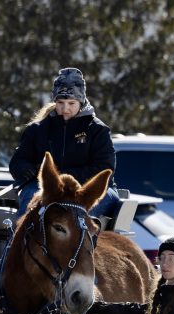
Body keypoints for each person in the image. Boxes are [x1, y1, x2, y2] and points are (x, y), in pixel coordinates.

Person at [9, 67, 120, 219]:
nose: (65, 109)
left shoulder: (97, 130)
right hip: (46, 187)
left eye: (71, 103)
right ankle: (21, 238)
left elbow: (105, 167)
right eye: (61, 102)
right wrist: (26, 170)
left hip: (89, 188)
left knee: (79, 211)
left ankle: (80, 239)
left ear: (81, 102)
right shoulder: (38, 129)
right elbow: (17, 161)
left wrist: (60, 175)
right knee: (30, 200)